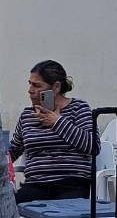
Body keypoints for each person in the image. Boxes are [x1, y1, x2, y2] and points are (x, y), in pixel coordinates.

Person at [9, 60, 100, 203]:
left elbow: (93, 146)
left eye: (37, 85)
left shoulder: (78, 108)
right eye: (30, 83)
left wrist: (57, 122)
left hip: (71, 184)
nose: (30, 90)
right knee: (9, 210)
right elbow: (13, 150)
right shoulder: (27, 115)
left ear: (56, 87)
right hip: (36, 184)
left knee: (65, 214)